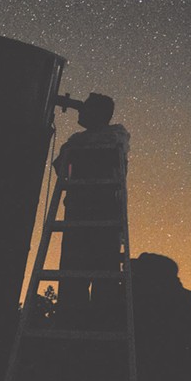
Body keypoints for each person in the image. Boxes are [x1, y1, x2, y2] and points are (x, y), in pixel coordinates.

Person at [54, 93, 130, 330]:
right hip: (81, 216)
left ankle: (95, 338)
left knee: (101, 281)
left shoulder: (114, 136)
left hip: (100, 216)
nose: (81, 111)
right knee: (73, 282)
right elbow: (61, 166)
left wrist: (72, 148)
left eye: (86, 108)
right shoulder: (85, 140)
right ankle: (72, 332)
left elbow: (63, 164)